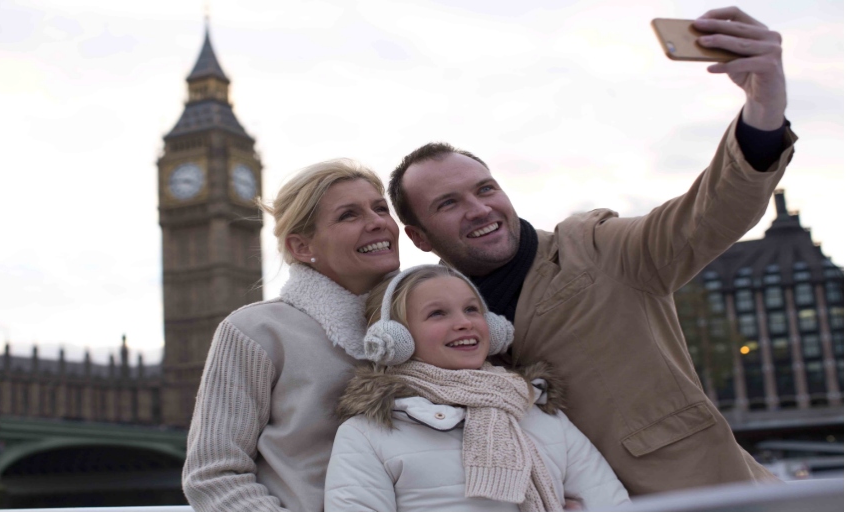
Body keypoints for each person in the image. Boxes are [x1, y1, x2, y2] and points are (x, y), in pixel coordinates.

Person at [386, 7, 795, 495]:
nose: (479, 209)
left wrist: (763, 105)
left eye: (486, 188)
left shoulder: (597, 248)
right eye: (449, 203)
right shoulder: (424, 321)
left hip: (700, 499)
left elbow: (708, 214)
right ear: (420, 238)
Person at [182, 159, 400, 511]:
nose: (377, 222)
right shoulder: (256, 332)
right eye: (349, 215)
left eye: (380, 209)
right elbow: (213, 475)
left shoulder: (437, 321)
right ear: (301, 247)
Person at [324, 265, 630, 511]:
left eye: (471, 310)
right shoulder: (366, 433)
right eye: (438, 313)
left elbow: (612, 505)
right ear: (393, 338)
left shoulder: (539, 414)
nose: (465, 323)